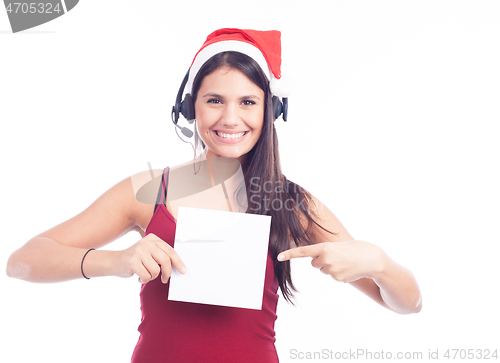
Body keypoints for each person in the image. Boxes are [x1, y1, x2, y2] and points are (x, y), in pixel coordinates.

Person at [6, 28, 422, 362]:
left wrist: (380, 264)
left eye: (247, 102)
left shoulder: (293, 204)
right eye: (215, 100)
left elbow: (408, 305)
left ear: (271, 110)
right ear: (191, 108)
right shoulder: (148, 191)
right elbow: (21, 263)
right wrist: (114, 261)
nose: (230, 118)